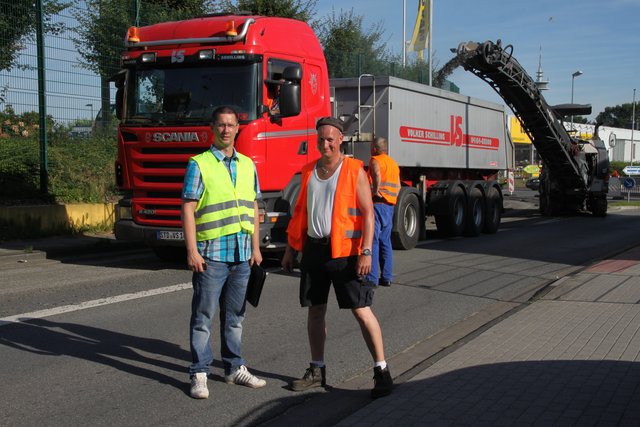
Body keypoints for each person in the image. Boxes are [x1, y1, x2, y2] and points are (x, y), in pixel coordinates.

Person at [281, 116, 393, 399]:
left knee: (361, 310)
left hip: (346, 253)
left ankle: (382, 370)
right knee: (315, 310)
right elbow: (300, 215)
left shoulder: (354, 169)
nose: (325, 144)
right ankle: (317, 369)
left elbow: (369, 215)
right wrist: (290, 249)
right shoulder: (308, 171)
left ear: (340, 139)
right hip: (315, 250)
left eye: (330, 139)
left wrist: (366, 251)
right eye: (321, 139)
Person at [182, 106, 265, 399]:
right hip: (211, 254)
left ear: (238, 128)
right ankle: (199, 373)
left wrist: (255, 247)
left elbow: (253, 205)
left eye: (231, 125)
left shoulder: (247, 164)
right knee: (203, 316)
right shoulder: (199, 163)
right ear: (212, 128)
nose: (226, 129)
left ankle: (233, 368)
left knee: (235, 317)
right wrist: (192, 250)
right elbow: (189, 208)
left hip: (241, 253)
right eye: (221, 125)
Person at [366, 137, 400, 287]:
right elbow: (398, 186)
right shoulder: (393, 163)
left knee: (373, 240)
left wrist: (375, 191)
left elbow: (377, 175)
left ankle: (372, 278)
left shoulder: (375, 160)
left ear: (374, 147)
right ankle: (386, 277)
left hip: (378, 204)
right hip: (389, 206)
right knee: (385, 241)